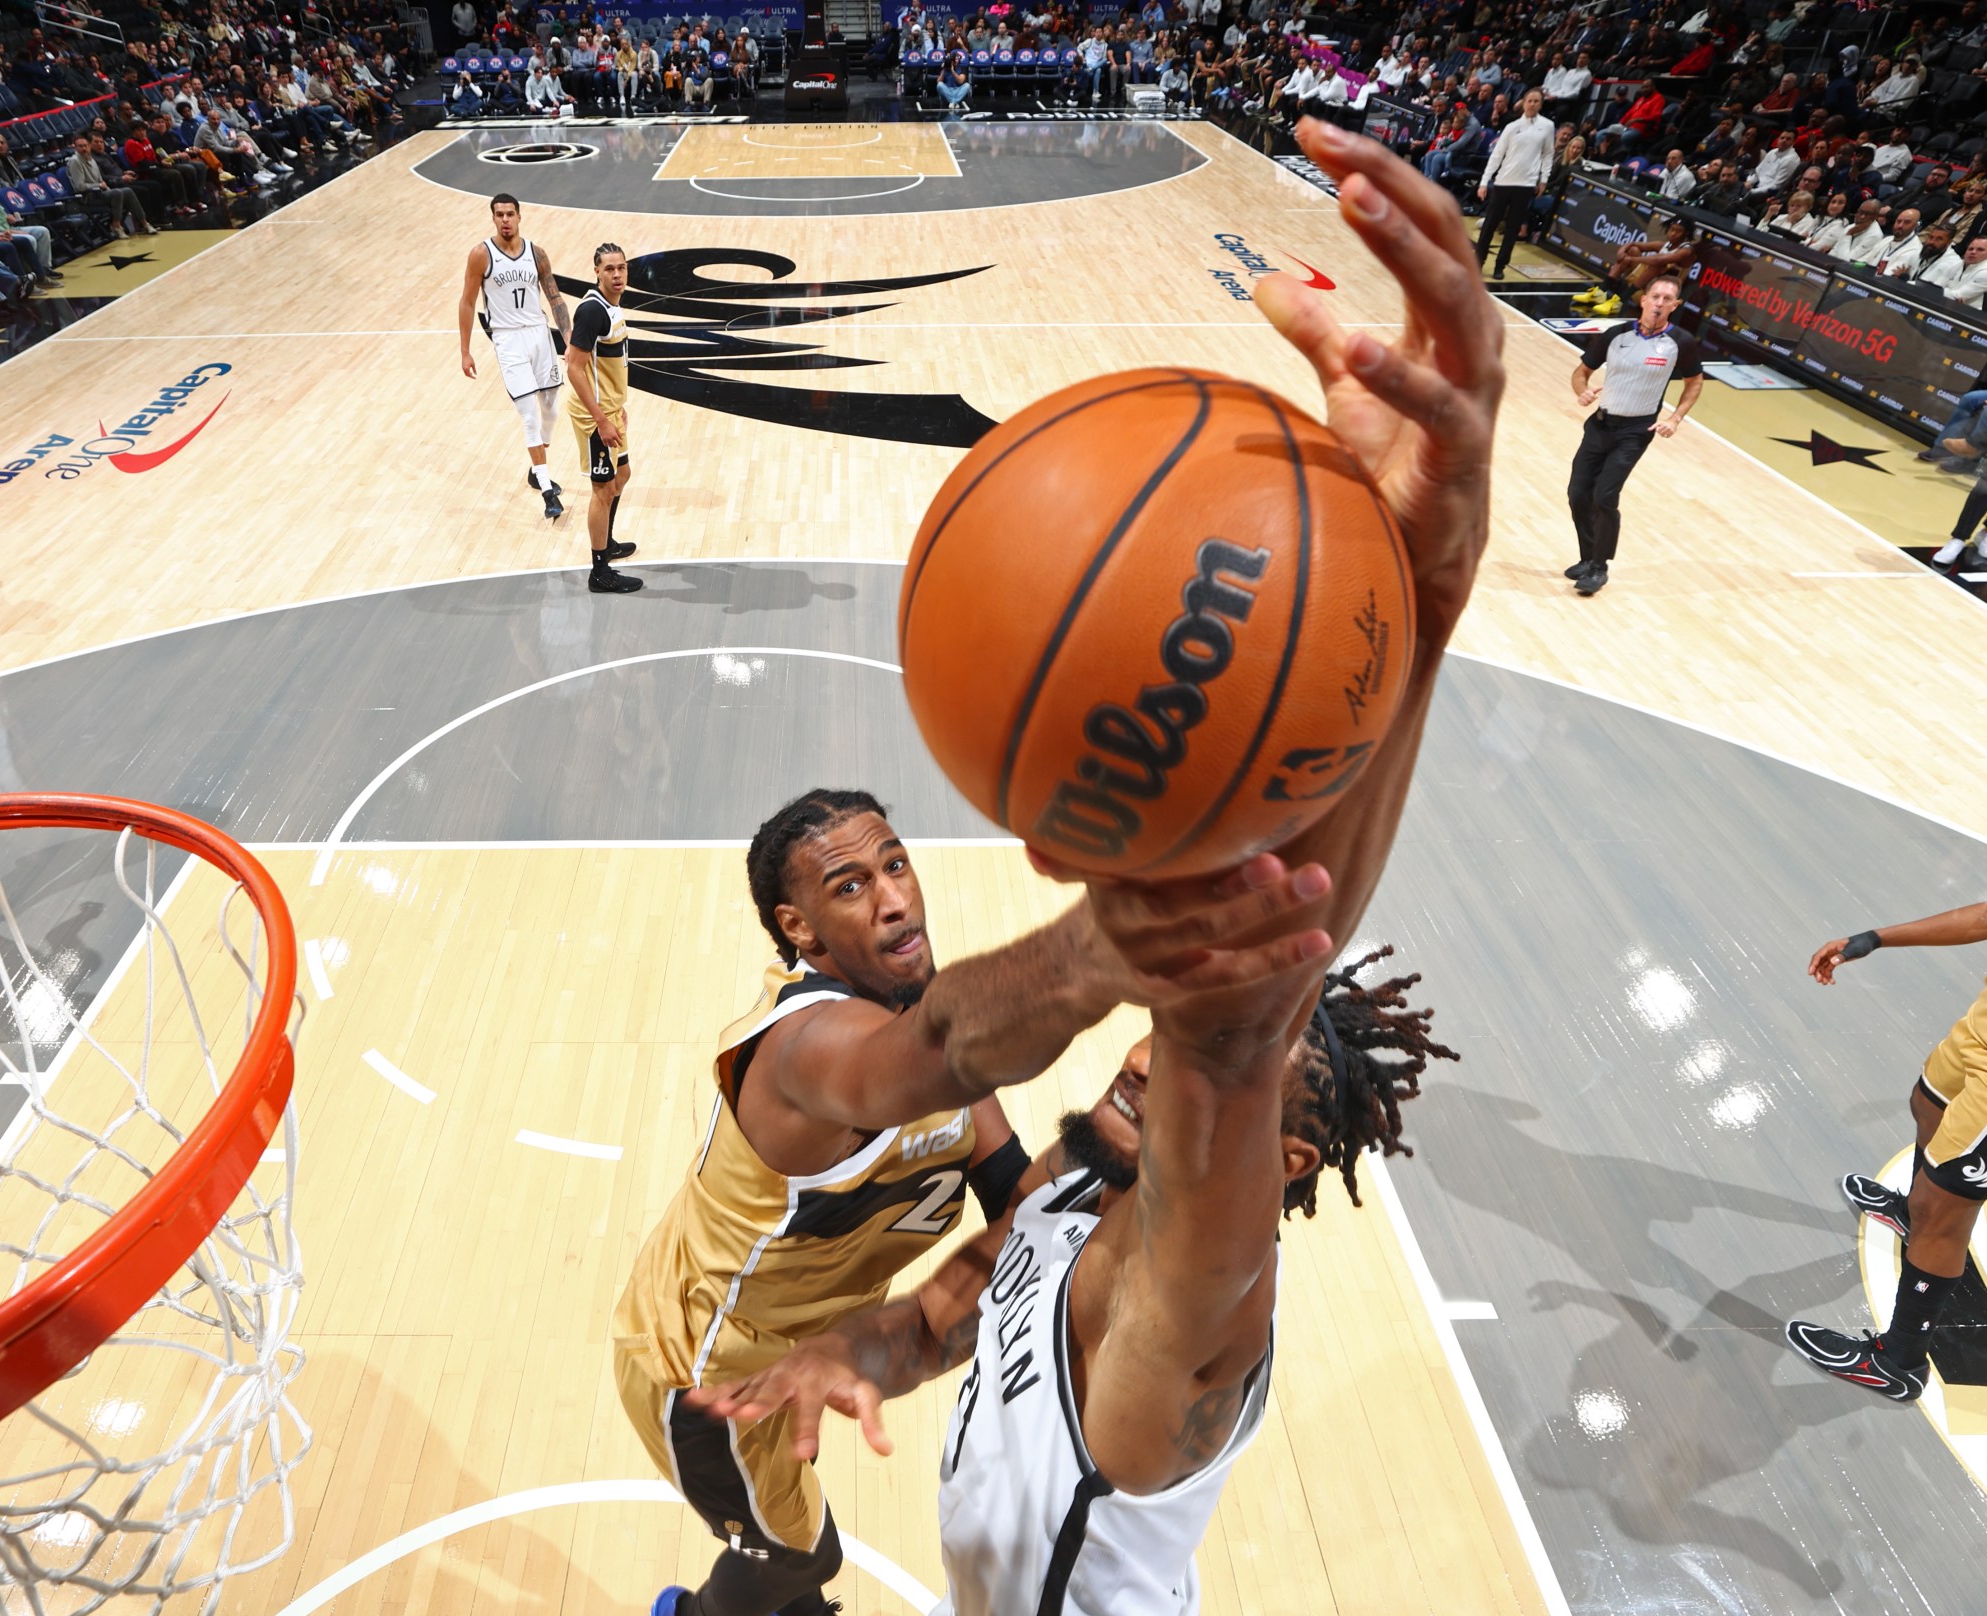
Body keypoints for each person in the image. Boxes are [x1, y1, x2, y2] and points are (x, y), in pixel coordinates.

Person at [675, 115, 1503, 1616]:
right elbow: (942, 1313)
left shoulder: (1186, 1311)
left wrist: (1420, 616)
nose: (1141, 1078)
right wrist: (847, 1353)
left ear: (1278, 1169)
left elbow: (1232, 1046)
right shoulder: (1069, 1188)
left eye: (1201, 1104)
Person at [612, 782, 1335, 1616]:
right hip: (708, 1361)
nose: (891, 900)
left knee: (797, 1554)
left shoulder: (1192, 1292)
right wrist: (1099, 951)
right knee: (799, 1559)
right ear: (797, 928)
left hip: (819, 1366)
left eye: (896, 866)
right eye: (851, 886)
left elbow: (1017, 1207)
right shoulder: (799, 1052)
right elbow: (940, 1057)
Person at [1793, 905, 1987, 1398]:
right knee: (1928, 1103)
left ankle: (1899, 1361)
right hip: (1980, 1032)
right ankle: (1911, 1214)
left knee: (1944, 1209)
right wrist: (1875, 938)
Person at [1565, 272, 1703, 596]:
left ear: (1675, 305)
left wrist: (1676, 417)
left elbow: (1694, 382)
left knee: (1604, 496)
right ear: (1643, 300)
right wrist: (1581, 391)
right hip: (1600, 424)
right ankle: (1588, 557)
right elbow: (1581, 372)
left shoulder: (1679, 342)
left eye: (1668, 299)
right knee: (1578, 493)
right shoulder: (1615, 335)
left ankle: (1599, 567)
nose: (1660, 303)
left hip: (1635, 431)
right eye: (1655, 296)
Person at [459, 194, 570, 522]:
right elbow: (466, 302)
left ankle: (537, 471)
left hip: (538, 333)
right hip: (508, 340)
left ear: (520, 216)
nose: (505, 220)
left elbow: (554, 297)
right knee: (529, 416)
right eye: (499, 215)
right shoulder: (481, 254)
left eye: (510, 214)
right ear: (493, 218)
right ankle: (548, 492)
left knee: (551, 409)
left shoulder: (537, 253)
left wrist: (568, 338)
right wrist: (464, 351)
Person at [564, 242, 640, 593]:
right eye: (609, 269)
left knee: (621, 474)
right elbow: (574, 368)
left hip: (609, 409)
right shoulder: (593, 311)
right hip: (593, 415)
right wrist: (601, 419)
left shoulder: (612, 307)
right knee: (602, 489)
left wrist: (615, 405)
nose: (617, 274)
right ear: (596, 271)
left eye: (621, 267)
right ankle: (599, 571)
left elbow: (604, 365)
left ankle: (605, 541)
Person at [1475, 86, 1555, 278]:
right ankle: (1478, 262)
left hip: (1526, 185)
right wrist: (1484, 181)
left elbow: (1548, 154)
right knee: (1489, 226)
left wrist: (1543, 179)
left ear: (1541, 104)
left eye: (1537, 101)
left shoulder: (1548, 126)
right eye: (1530, 100)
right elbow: (1497, 155)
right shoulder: (1512, 127)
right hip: (1504, 181)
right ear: (1523, 103)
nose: (1532, 104)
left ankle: (1500, 266)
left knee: (1512, 229)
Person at [66, 135, 153, 237]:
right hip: (88, 198)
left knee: (128, 191)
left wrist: (104, 187)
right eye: (80, 146)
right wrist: (99, 185)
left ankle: (144, 223)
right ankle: (116, 224)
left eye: (85, 146)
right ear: (75, 148)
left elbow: (100, 180)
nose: (83, 149)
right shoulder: (75, 161)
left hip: (100, 193)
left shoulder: (91, 159)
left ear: (89, 146)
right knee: (117, 192)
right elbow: (79, 186)